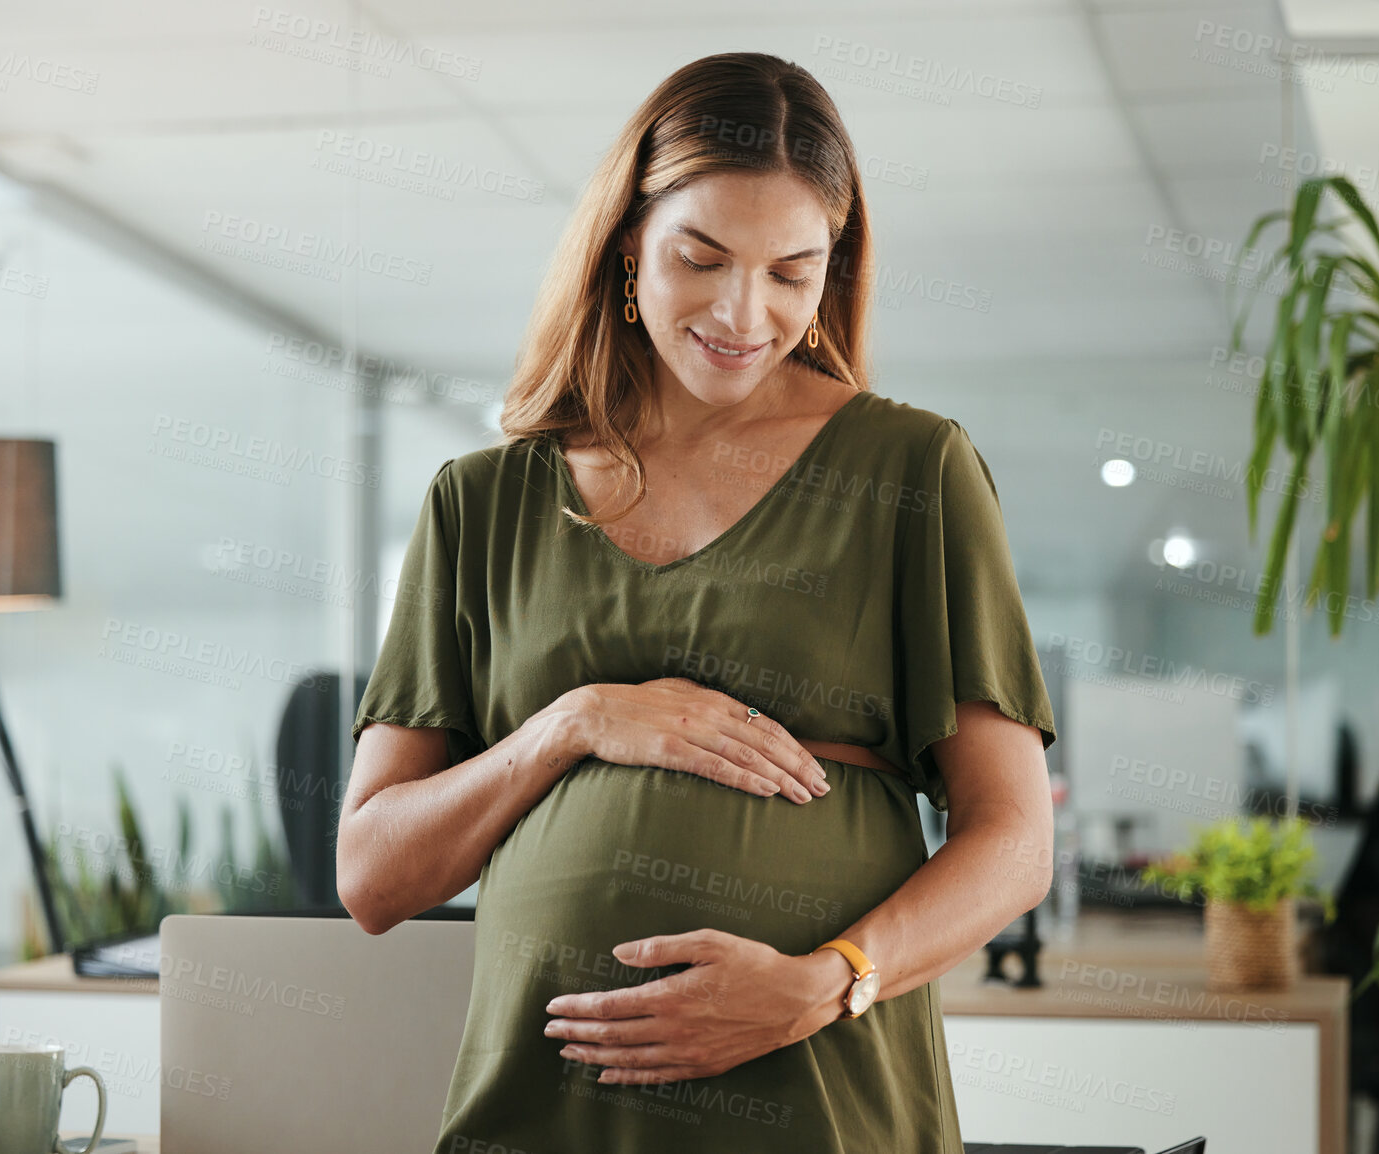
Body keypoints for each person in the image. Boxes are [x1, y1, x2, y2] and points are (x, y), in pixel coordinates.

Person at [335, 51, 1058, 1154]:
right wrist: (570, 724)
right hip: (541, 1111)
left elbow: (1014, 836)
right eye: (701, 258)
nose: (742, 311)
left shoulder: (913, 470)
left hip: (817, 1091)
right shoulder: (482, 500)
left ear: (834, 271)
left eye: (790, 271)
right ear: (628, 243)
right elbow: (374, 874)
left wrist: (827, 983)